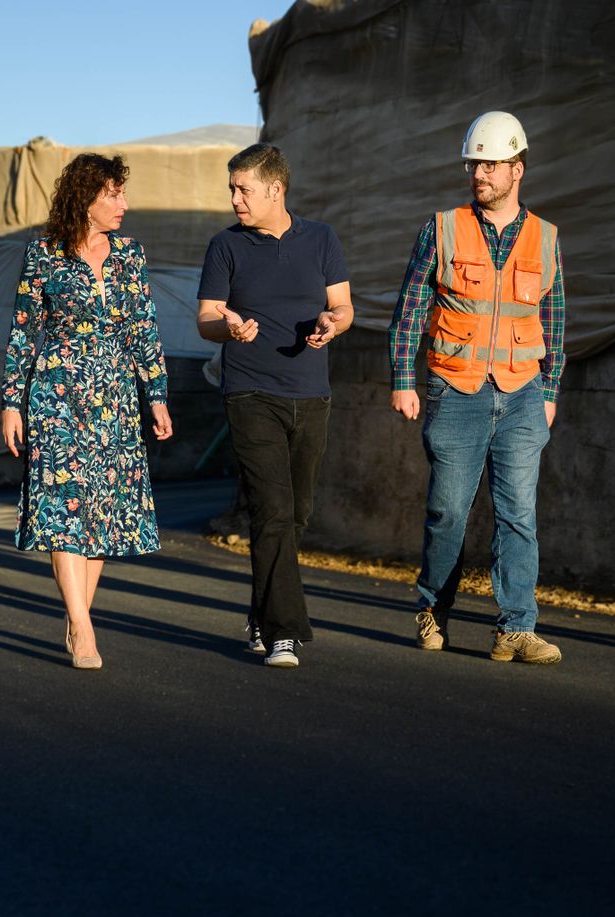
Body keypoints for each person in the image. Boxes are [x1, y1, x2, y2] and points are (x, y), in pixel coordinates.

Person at [387, 111, 565, 665]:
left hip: (522, 393)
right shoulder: (441, 228)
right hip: (454, 389)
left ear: (517, 168)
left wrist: (551, 387)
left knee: (519, 516)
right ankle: (432, 611)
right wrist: (402, 378)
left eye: (490, 164)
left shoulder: (546, 237)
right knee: (448, 513)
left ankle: (516, 628)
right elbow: (412, 306)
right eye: (474, 163)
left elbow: (554, 316)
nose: (478, 173)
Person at [1, 153, 173, 670]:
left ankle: (78, 615)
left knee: (100, 514)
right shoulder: (43, 255)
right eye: (113, 195)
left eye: (122, 193)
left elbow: (144, 328)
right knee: (63, 508)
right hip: (55, 397)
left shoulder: (130, 254)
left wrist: (157, 396)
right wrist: (12, 403)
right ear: (86, 200)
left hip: (116, 399)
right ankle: (82, 625)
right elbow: (23, 331)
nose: (124, 204)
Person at [196, 143, 353, 669]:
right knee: (272, 510)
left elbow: (343, 305)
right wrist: (230, 326)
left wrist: (332, 324)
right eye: (232, 189)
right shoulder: (226, 246)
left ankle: (262, 614)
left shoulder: (321, 239)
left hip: (310, 394)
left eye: (244, 189)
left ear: (275, 190)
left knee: (296, 514)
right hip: (250, 392)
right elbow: (206, 318)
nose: (235, 199)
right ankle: (285, 632)